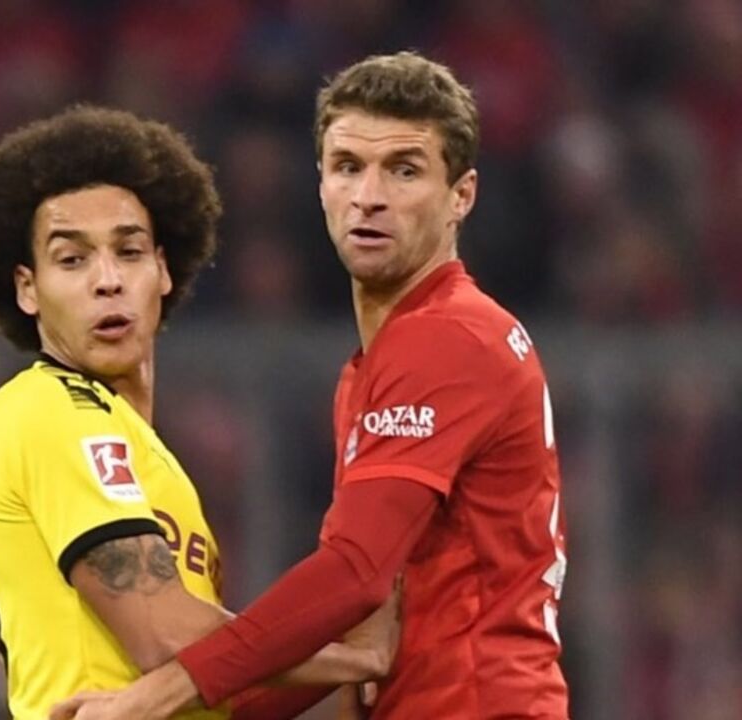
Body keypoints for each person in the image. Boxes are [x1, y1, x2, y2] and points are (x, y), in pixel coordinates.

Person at [52, 51, 570, 720]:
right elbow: (357, 631)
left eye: (404, 170)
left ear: (461, 196)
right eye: (348, 166)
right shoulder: (385, 359)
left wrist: (163, 691)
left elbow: (354, 574)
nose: (369, 196)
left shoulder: (445, 339)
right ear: (320, 182)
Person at [0, 105, 400, 720]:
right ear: (27, 288)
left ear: (162, 270)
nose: (107, 280)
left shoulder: (150, 458)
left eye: (129, 251)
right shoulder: (48, 407)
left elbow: (218, 683)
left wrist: (354, 648)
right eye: (72, 259)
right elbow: (164, 631)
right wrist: (352, 657)